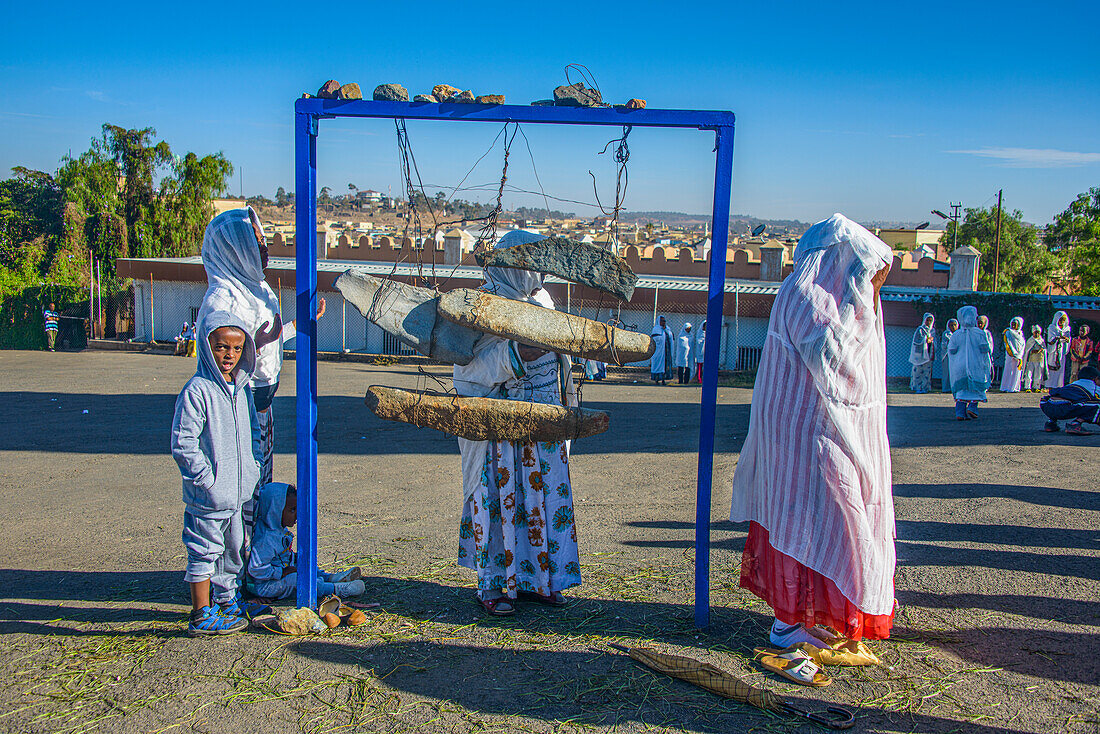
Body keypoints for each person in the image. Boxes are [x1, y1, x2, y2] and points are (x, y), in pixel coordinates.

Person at [731, 213, 895, 647]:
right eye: (865, 273)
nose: (870, 286)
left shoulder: (841, 297)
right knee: (807, 520)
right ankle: (787, 624)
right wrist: (863, 308)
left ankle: (808, 617)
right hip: (802, 432)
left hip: (823, 430)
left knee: (830, 521)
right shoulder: (807, 294)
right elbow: (832, 359)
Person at [453, 230, 582, 616]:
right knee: (499, 501)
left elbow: (562, 364)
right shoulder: (479, 305)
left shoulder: (543, 302)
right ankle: (495, 585)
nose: (532, 273)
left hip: (542, 429)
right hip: (499, 432)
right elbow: (467, 371)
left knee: (542, 502)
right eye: (525, 264)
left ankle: (541, 580)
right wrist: (517, 353)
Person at [196, 207, 325, 524]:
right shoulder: (222, 299)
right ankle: (235, 564)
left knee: (260, 483)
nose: (265, 248)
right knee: (240, 487)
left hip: (262, 408)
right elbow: (221, 363)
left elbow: (267, 337)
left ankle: (260, 557)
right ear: (235, 249)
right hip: (239, 410)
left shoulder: (257, 287)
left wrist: (297, 326)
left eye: (263, 240)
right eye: (256, 242)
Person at [171, 314, 267, 636]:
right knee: (204, 550)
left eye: (237, 348)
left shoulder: (241, 389)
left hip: (237, 495)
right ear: (206, 346)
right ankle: (200, 614)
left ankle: (227, 601)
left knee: (233, 550)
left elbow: (255, 431)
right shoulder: (197, 391)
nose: (229, 355)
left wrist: (253, 467)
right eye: (222, 347)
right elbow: (183, 442)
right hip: (209, 496)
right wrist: (205, 479)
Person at [246, 482, 365, 600]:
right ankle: (336, 589)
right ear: (274, 511)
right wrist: (281, 572)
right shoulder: (265, 540)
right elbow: (256, 569)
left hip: (282, 572)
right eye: (292, 510)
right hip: (265, 585)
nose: (297, 514)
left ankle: (329, 577)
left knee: (303, 562)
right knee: (296, 580)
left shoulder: (279, 529)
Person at [948, 306, 992, 420]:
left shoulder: (956, 334)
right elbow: (985, 349)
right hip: (976, 365)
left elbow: (951, 350)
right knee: (975, 387)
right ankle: (972, 407)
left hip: (960, 366)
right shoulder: (980, 333)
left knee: (962, 390)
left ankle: (960, 412)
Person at [1040, 366, 1100, 436]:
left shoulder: (1073, 384)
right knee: (1097, 404)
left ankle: (1051, 423)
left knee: (1063, 400)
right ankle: (1076, 423)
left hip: (1048, 406)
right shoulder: (1093, 386)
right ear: (1095, 378)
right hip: (1065, 409)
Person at [908, 313, 935, 393]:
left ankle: (925, 387)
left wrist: (932, 342)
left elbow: (934, 341)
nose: (929, 322)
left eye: (930, 320)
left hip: (928, 353)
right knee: (918, 372)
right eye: (927, 320)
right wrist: (925, 340)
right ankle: (916, 387)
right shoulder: (920, 329)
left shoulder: (932, 331)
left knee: (926, 372)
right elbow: (916, 341)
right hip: (920, 355)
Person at [1044, 311, 1072, 389]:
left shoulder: (1067, 329)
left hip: (1061, 351)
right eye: (1060, 320)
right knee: (1052, 368)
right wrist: (1058, 338)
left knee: (1060, 370)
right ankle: (1049, 385)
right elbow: (1050, 340)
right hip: (1053, 352)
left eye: (1063, 320)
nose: (1062, 322)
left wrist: (1066, 340)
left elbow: (1068, 339)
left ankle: (1058, 385)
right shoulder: (1052, 327)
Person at [999, 317, 1025, 392]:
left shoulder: (1021, 334)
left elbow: (1023, 345)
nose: (1013, 326)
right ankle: (1005, 387)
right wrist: (1014, 354)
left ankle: (1014, 388)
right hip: (1010, 355)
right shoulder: (1008, 332)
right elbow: (1008, 343)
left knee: (1017, 371)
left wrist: (1019, 355)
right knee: (1008, 370)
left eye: (1015, 325)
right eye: (1012, 324)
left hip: (1019, 356)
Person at [1022, 325, 1048, 392]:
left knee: (1038, 374)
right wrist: (1032, 351)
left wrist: (1042, 350)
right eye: (1035, 332)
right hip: (1031, 360)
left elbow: (1045, 349)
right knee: (1029, 373)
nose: (1037, 334)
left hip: (1039, 360)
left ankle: (1036, 386)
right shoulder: (1030, 340)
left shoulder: (1041, 341)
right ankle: (1027, 387)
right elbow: (1027, 350)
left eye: (1038, 332)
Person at [649, 316, 673, 385]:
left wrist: (665, 331)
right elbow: (655, 339)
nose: (663, 322)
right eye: (662, 321)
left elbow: (670, 337)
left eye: (664, 321)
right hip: (658, 351)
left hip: (665, 351)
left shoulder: (667, 329)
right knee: (657, 364)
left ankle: (663, 379)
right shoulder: (656, 329)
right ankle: (656, 379)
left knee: (665, 365)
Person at [940, 319, 959, 393]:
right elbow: (944, 345)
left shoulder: (959, 334)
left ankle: (954, 387)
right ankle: (946, 388)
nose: (953, 327)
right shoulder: (946, 334)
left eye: (955, 325)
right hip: (947, 355)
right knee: (947, 372)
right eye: (951, 325)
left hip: (957, 356)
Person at [977, 314, 996, 383]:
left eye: (981, 323)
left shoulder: (987, 333)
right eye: (978, 323)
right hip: (977, 354)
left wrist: (988, 350)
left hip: (985, 354)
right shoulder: (974, 332)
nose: (979, 325)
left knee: (986, 368)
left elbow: (990, 344)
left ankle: (986, 383)